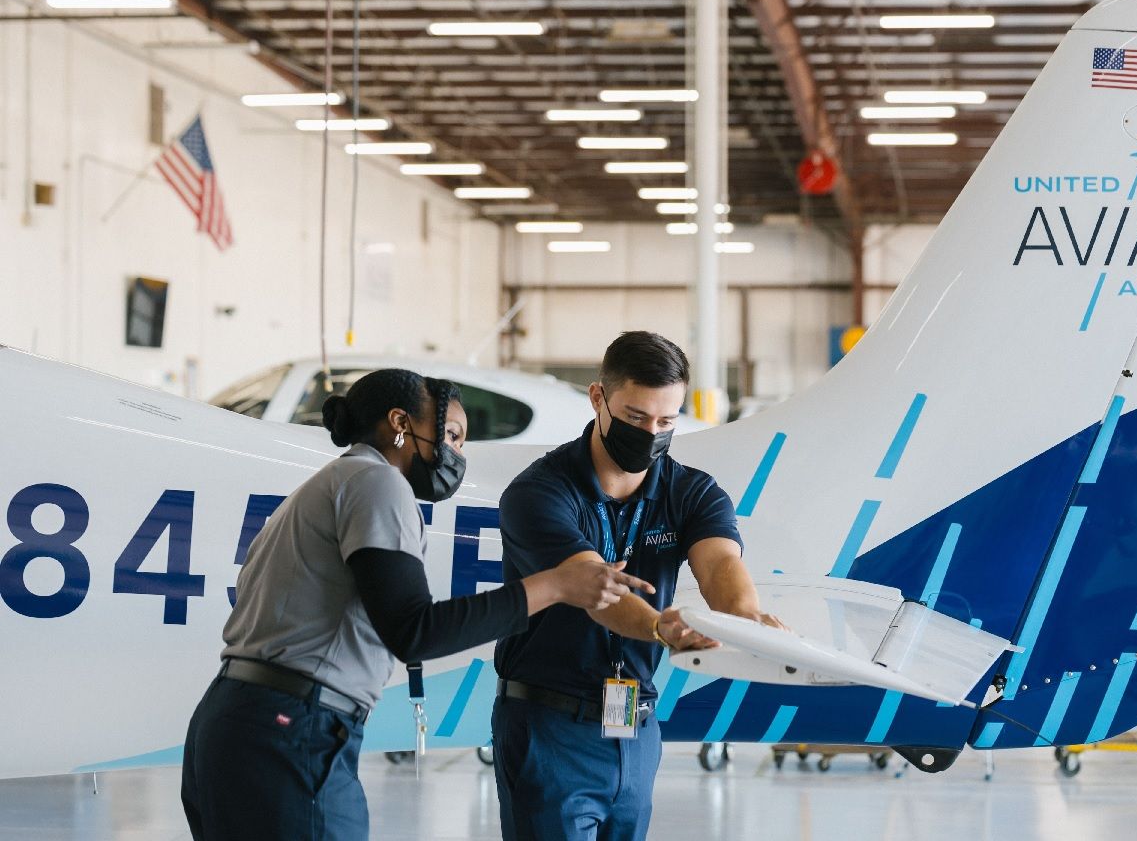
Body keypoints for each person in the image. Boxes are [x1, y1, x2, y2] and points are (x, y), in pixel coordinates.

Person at [182, 368, 650, 841]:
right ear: (399, 423)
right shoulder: (377, 483)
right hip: (290, 728)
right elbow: (414, 631)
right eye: (450, 435)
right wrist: (552, 586)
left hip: (235, 720)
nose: (457, 454)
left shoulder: (327, 485)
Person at [492, 331, 781, 841]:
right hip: (549, 725)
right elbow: (596, 591)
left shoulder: (692, 492)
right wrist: (660, 627)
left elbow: (719, 567)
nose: (651, 434)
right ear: (598, 398)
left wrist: (746, 617)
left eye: (666, 422)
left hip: (635, 725)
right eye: (635, 417)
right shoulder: (540, 493)